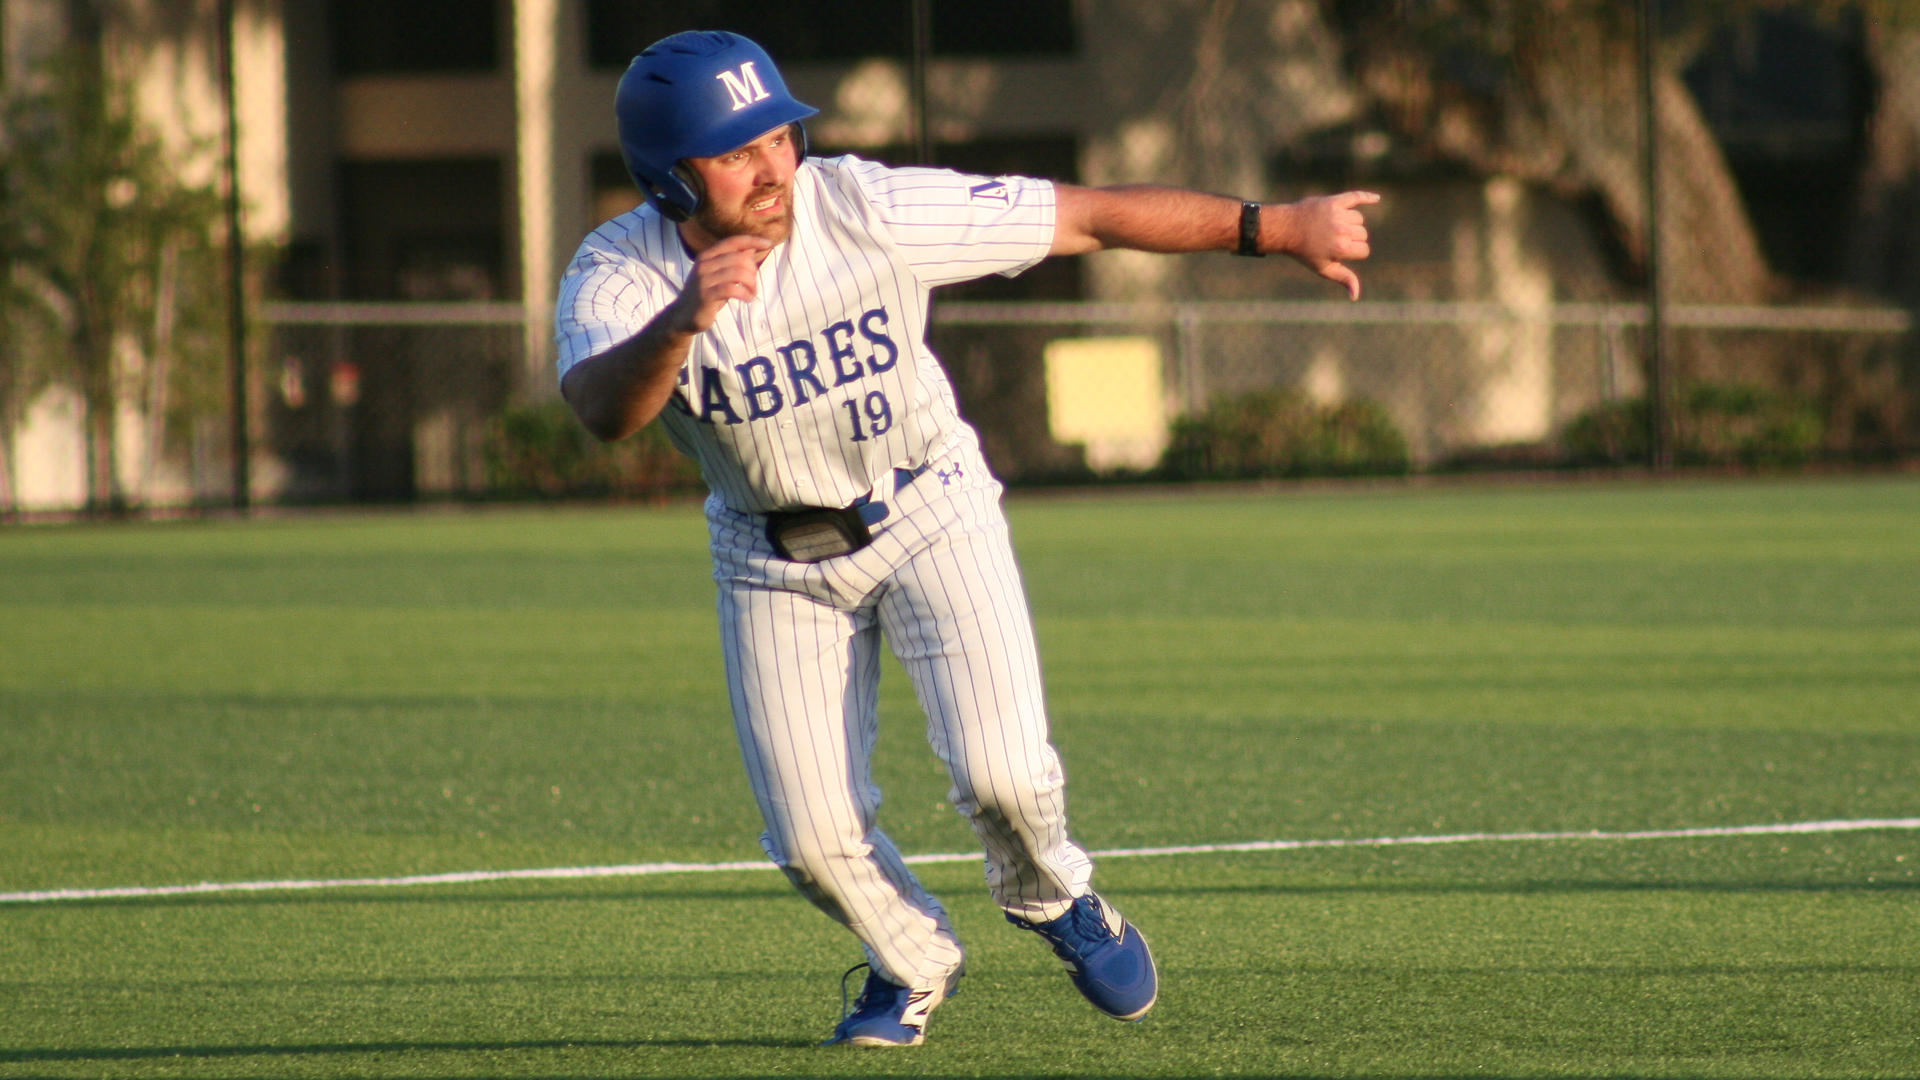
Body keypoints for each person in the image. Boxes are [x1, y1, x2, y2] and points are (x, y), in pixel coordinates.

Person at [556, 30, 1374, 1048]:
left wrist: (1275, 225)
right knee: (809, 840)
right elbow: (600, 410)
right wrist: (681, 321)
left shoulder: (863, 207)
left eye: (780, 135)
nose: (773, 168)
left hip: (928, 504)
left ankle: (1053, 896)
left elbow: (1086, 216)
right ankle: (910, 963)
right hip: (771, 558)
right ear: (668, 182)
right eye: (736, 152)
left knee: (1004, 777)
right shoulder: (618, 272)